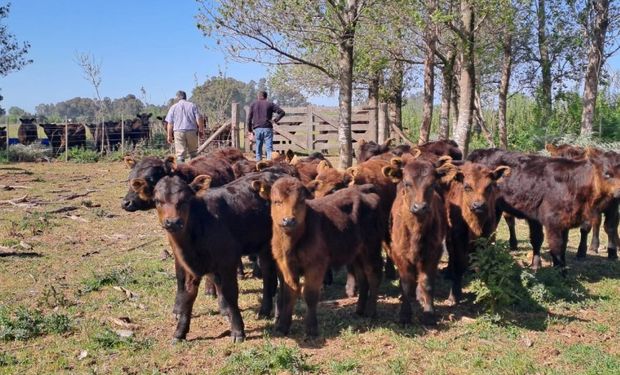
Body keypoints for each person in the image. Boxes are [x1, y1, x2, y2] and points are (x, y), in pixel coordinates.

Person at [165, 90, 205, 162]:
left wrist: (169, 135)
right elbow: (199, 118)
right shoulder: (192, 105)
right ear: (185, 97)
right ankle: (194, 170)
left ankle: (181, 171)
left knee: (180, 155)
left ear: (177, 98)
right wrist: (201, 130)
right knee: (193, 153)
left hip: (178, 132)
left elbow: (170, 123)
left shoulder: (173, 107)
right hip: (192, 131)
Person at [247, 91, 285, 160]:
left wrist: (250, 130)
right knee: (269, 148)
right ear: (266, 97)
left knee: (258, 148)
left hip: (257, 128)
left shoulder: (253, 104)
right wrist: (275, 120)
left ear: (258, 96)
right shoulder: (270, 104)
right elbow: (282, 112)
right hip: (267, 128)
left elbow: (249, 118)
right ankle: (269, 164)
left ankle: (258, 164)